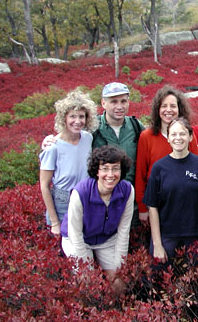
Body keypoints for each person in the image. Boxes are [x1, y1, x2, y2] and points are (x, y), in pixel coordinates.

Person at [42, 82, 145, 227]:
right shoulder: (92, 129)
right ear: (103, 103)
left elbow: (152, 146)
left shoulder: (136, 126)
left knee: (128, 244)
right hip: (98, 202)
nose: (119, 106)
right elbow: (70, 134)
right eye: (113, 101)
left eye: (123, 101)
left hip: (130, 201)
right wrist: (50, 141)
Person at [61, 146, 134, 291]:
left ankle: (114, 311)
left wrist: (120, 266)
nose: (110, 174)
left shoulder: (127, 191)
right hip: (78, 239)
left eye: (115, 168)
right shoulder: (81, 192)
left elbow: (124, 231)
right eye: (105, 168)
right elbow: (75, 233)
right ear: (97, 171)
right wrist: (85, 266)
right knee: (86, 281)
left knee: (119, 281)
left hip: (107, 239)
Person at [143, 117, 198, 264]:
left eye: (182, 134)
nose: (178, 138)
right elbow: (152, 207)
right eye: (173, 134)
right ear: (168, 138)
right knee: (160, 281)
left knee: (195, 282)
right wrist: (157, 244)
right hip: (167, 235)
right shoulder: (159, 168)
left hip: (196, 235)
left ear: (190, 136)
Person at [135, 86, 198, 223]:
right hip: (156, 204)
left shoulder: (188, 136)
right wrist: (142, 208)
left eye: (173, 106)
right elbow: (140, 174)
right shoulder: (147, 136)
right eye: (164, 106)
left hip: (185, 202)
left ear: (179, 109)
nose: (168, 110)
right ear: (157, 109)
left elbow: (195, 171)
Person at [39, 91, 98, 235]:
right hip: (62, 202)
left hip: (86, 198)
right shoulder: (52, 147)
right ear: (63, 118)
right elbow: (44, 186)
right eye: (72, 116)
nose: (77, 121)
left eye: (81, 116)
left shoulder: (88, 138)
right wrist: (54, 222)